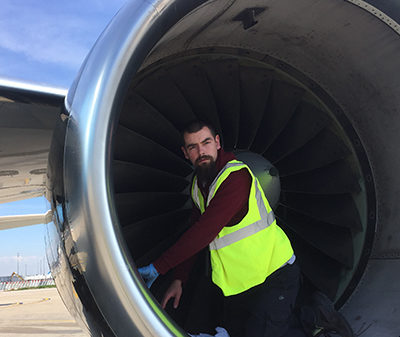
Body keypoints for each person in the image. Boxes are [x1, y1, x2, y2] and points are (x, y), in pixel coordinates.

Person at [139, 120, 353, 337]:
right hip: (239, 286)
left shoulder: (236, 178)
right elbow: (194, 229)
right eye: (193, 147)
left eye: (206, 143)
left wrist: (159, 267)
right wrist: (179, 278)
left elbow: (204, 231)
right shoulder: (199, 185)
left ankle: (323, 322)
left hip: (274, 276)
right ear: (185, 153)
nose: (201, 151)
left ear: (218, 143)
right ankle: (314, 321)